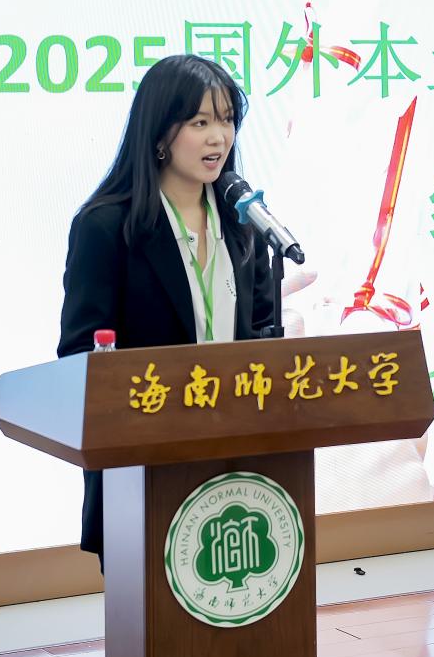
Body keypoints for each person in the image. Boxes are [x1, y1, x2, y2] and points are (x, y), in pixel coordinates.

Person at [56, 54, 275, 570]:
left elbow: (263, 333)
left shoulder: (244, 223)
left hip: (239, 466)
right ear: (160, 135)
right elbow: (80, 352)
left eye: (226, 120)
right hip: (145, 468)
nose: (218, 137)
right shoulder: (107, 227)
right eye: (200, 122)